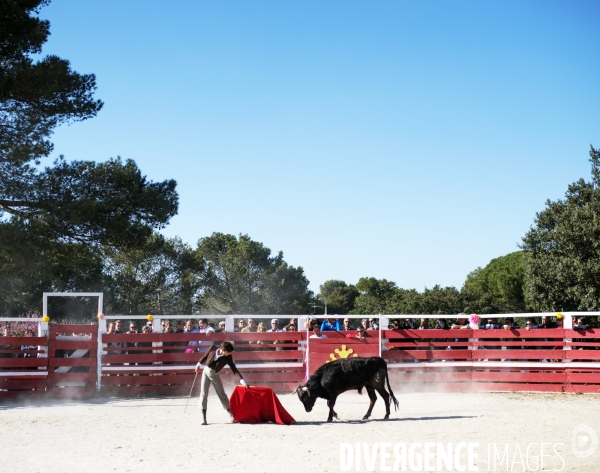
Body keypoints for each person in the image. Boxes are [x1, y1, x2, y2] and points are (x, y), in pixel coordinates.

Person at [195, 341, 246, 425]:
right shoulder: (212, 348)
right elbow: (205, 356)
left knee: (222, 394)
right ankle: (203, 418)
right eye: (228, 352)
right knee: (204, 394)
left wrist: (242, 381)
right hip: (206, 372)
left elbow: (234, 369)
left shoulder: (228, 357)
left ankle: (231, 416)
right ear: (222, 350)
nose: (229, 353)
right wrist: (198, 365)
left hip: (215, 375)